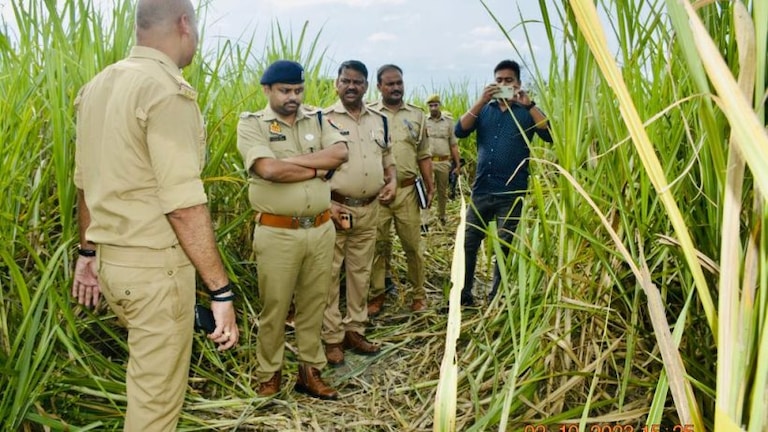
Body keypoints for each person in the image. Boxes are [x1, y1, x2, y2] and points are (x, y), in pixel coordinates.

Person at [71, 0, 239, 430]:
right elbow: (183, 205)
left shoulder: (99, 86)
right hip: (155, 272)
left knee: (144, 384)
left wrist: (87, 254)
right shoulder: (166, 90)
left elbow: (86, 184)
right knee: (155, 407)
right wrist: (220, 292)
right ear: (185, 24)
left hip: (113, 265)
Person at [237, 59, 349, 400]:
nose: (293, 97)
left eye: (298, 90)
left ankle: (309, 372)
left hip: (319, 229)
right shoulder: (252, 124)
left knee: (314, 304)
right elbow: (268, 170)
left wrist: (293, 164)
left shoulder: (316, 118)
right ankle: (269, 373)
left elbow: (341, 152)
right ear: (267, 90)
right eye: (285, 90)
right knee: (275, 306)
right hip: (277, 232)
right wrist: (318, 170)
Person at [455, 59, 553, 307]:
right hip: (482, 190)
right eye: (498, 80)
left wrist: (529, 104)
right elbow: (459, 130)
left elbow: (549, 134)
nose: (503, 84)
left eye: (508, 80)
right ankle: (464, 295)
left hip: (511, 192)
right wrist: (479, 100)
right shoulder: (484, 110)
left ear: (518, 83)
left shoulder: (526, 112)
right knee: (468, 243)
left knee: (504, 247)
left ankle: (496, 298)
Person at [321, 60, 397, 366]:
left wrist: (391, 181)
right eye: (346, 81)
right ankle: (331, 337)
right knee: (328, 275)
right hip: (336, 209)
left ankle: (355, 329)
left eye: (358, 82)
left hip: (369, 209)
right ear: (336, 84)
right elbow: (314, 166)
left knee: (360, 273)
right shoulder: (322, 120)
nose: (351, 86)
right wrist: (326, 202)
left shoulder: (379, 120)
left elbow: (387, 158)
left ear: (366, 86)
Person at [367, 64, 434, 315]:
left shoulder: (417, 115)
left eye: (399, 83)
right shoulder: (369, 114)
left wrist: (429, 185)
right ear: (379, 87)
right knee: (378, 246)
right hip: (377, 193)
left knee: (413, 246)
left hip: (407, 192)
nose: (396, 88)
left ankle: (418, 295)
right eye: (390, 84)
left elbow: (424, 153)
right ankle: (377, 295)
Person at [422, 94, 461, 228]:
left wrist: (457, 164)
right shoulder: (423, 121)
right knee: (427, 190)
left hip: (444, 162)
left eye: (435, 105)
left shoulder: (448, 121)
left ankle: (442, 216)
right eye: (430, 105)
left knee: (442, 191)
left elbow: (454, 144)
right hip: (428, 162)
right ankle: (424, 220)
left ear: (440, 105)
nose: (433, 108)